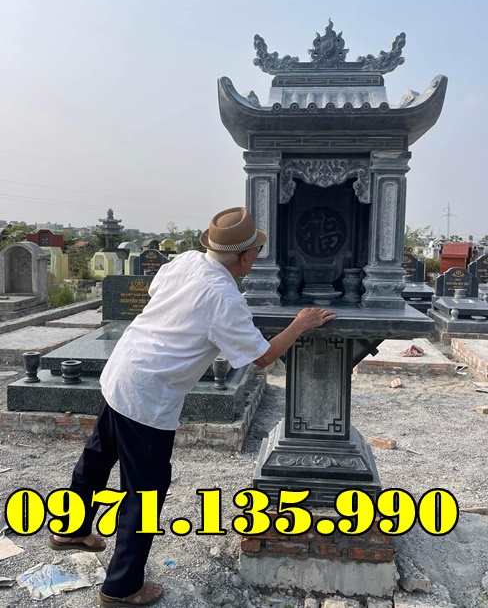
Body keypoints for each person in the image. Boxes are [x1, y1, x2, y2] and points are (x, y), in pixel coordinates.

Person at [48, 206, 336, 607]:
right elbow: (262, 357)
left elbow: (159, 295)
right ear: (244, 257)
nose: (257, 257)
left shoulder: (185, 261)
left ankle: (70, 528)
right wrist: (300, 323)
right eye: (256, 251)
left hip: (123, 370)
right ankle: (121, 588)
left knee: (98, 456)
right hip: (149, 395)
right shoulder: (224, 298)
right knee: (144, 492)